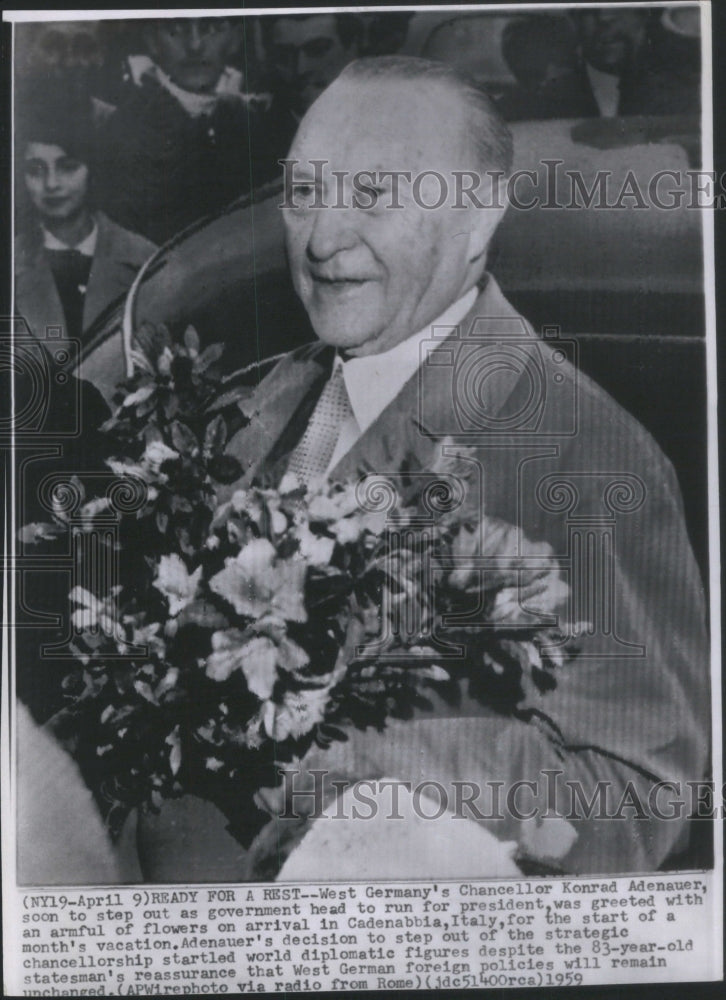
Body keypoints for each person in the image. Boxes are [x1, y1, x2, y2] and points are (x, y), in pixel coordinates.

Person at [197, 55, 706, 878]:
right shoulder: (266, 398)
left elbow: (638, 789)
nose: (323, 239)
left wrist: (370, 779)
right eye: (303, 192)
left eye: (373, 195)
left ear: (478, 222)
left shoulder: (585, 453)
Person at [97, 17, 264, 245]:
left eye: (210, 27)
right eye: (175, 29)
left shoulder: (248, 120)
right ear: (152, 40)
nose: (195, 45)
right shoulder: (126, 130)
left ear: (235, 38)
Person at [15, 90, 155, 350]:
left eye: (67, 167)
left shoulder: (145, 262)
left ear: (93, 170)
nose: (52, 184)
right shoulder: (11, 264)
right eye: (36, 170)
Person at [251, 14, 365, 184]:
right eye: (284, 54)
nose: (300, 68)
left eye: (317, 50)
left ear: (353, 49)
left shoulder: (388, 128)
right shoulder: (251, 146)